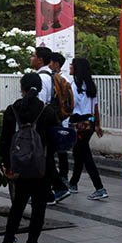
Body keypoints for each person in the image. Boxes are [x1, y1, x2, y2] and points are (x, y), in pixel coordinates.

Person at [0, 72, 59, 243]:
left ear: (22, 88)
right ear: (39, 88)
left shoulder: (12, 109)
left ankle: (8, 240)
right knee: (39, 207)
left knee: (18, 203)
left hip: (19, 165)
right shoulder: (47, 111)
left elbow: (5, 140)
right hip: (42, 168)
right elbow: (55, 141)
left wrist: (7, 164)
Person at [31, 46, 70, 205]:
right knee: (45, 159)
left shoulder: (41, 78)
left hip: (42, 124)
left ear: (40, 59)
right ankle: (53, 191)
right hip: (51, 123)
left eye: (33, 56)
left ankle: (53, 192)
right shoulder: (51, 76)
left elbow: (38, 104)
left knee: (43, 159)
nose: (32, 58)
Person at [68, 58, 108, 200]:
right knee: (79, 153)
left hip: (79, 125)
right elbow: (95, 107)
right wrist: (97, 124)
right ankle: (73, 183)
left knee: (85, 155)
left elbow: (71, 107)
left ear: (77, 68)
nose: (70, 66)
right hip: (89, 124)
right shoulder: (90, 86)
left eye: (72, 64)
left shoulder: (74, 86)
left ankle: (99, 188)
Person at [49, 52, 71, 184]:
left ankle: (63, 176)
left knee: (60, 150)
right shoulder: (56, 78)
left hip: (60, 119)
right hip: (59, 119)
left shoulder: (62, 80)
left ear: (56, 64)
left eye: (50, 62)